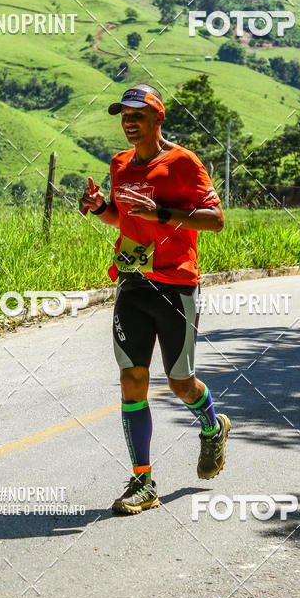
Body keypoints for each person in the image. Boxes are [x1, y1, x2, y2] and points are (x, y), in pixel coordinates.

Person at [80, 83, 230, 515]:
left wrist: (163, 214)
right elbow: (120, 217)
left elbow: (216, 220)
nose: (128, 122)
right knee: (132, 380)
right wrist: (98, 206)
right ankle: (143, 481)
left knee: (180, 382)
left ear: (157, 118)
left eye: (136, 115)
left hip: (176, 285)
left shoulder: (183, 163)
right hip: (132, 282)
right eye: (123, 116)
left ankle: (211, 426)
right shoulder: (120, 163)